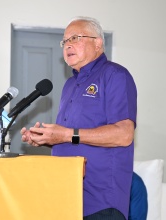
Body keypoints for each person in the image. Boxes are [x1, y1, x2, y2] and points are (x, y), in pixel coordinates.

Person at [20, 16, 137, 220]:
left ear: (98, 43)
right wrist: (47, 138)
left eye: (75, 38)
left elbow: (124, 134)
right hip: (66, 197)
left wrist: (65, 134)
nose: (68, 45)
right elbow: (73, 138)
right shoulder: (69, 85)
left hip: (101, 201)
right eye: (65, 41)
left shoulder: (115, 75)